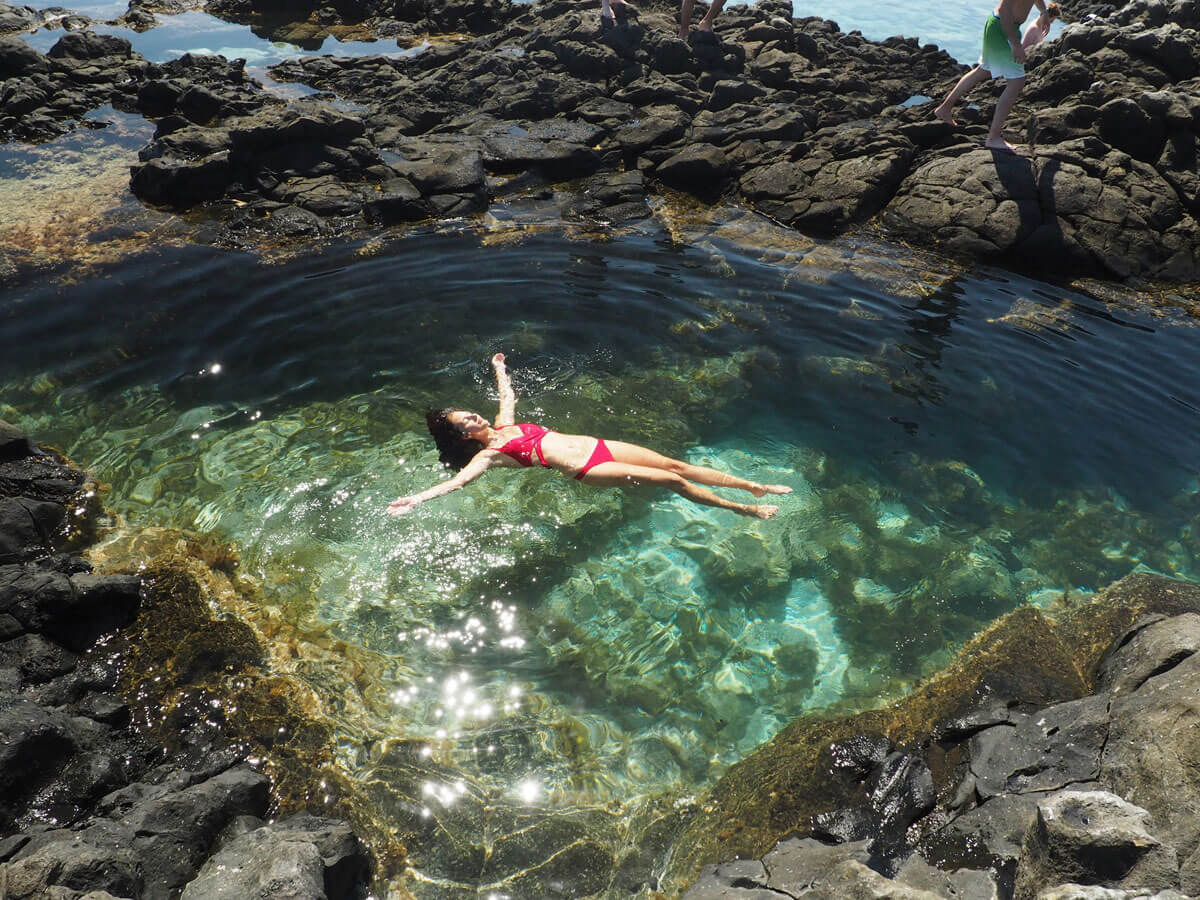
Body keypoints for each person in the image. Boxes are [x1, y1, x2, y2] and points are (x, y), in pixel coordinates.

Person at [386, 353, 790, 520]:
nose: (473, 416)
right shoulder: (488, 455)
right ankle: (744, 510)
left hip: (597, 443)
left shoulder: (504, 423)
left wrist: (498, 368)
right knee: (672, 481)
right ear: (465, 437)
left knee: (675, 464)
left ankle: (754, 487)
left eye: (468, 412)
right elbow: (458, 482)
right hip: (586, 466)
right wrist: (415, 499)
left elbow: (507, 395)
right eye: (464, 423)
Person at [933, 0, 1053, 152]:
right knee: (1017, 82)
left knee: (984, 70)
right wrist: (1015, 44)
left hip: (999, 26)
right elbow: (1004, 10)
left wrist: (1044, 13)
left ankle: (944, 109)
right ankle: (993, 137)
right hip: (1003, 28)